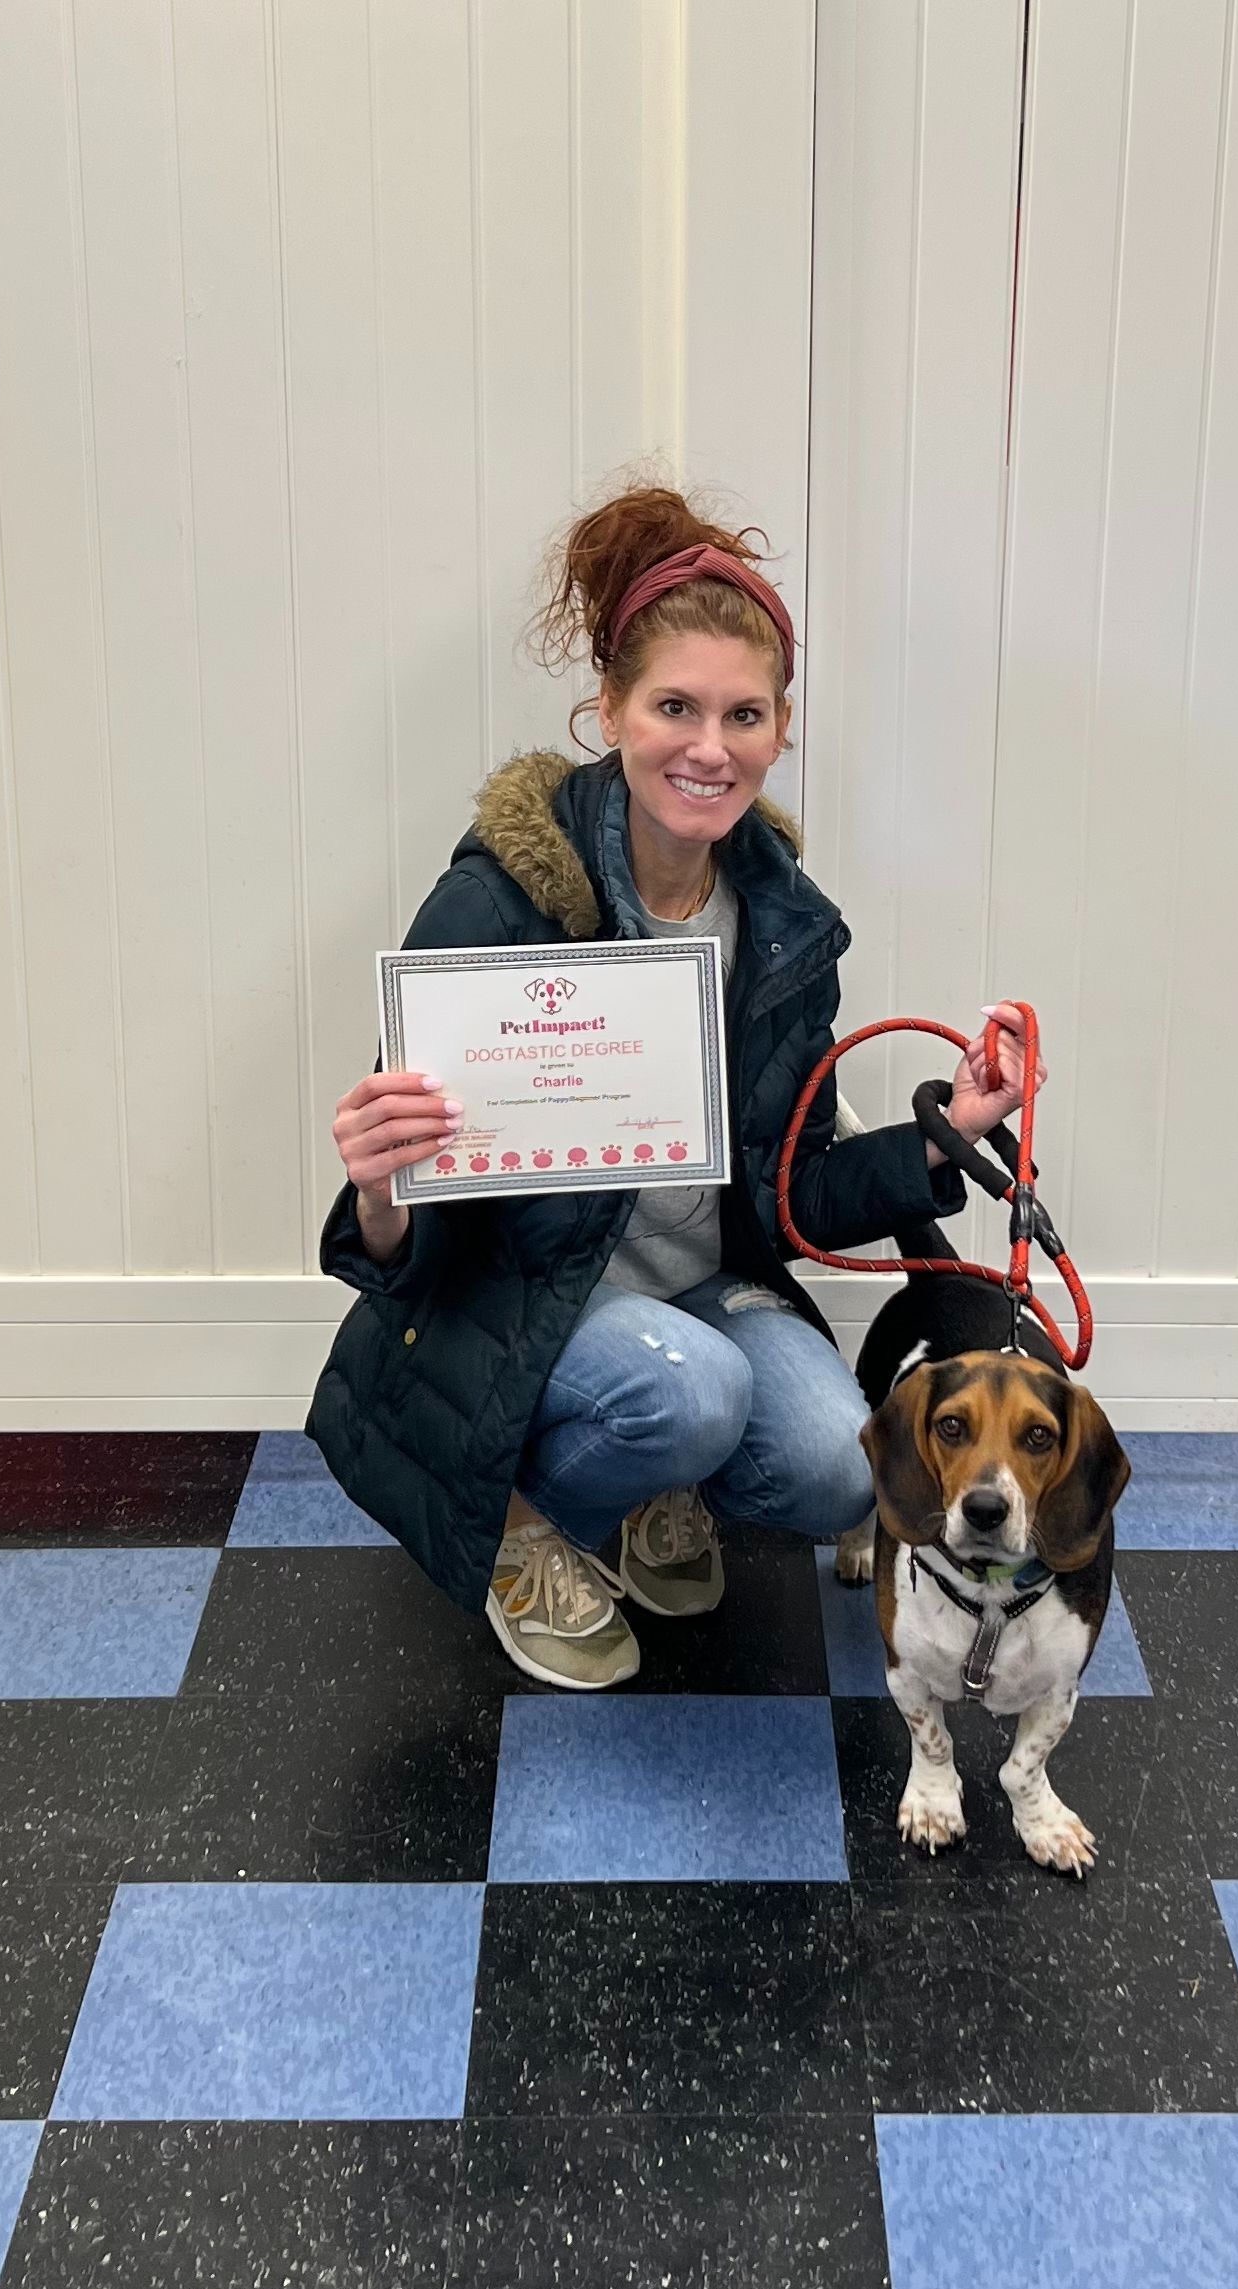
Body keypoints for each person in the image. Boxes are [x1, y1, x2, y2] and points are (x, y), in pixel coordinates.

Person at [307, 485, 1043, 1688]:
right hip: (524, 1306)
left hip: (701, 1290)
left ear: (779, 728)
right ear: (608, 711)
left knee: (837, 1466)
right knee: (689, 1392)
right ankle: (516, 1527)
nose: (710, 746)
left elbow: (787, 1185)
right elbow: (411, 1243)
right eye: (674, 707)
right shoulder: (499, 903)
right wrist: (382, 1187)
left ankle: (650, 1491)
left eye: (742, 713)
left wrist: (942, 1137)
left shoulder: (782, 923)